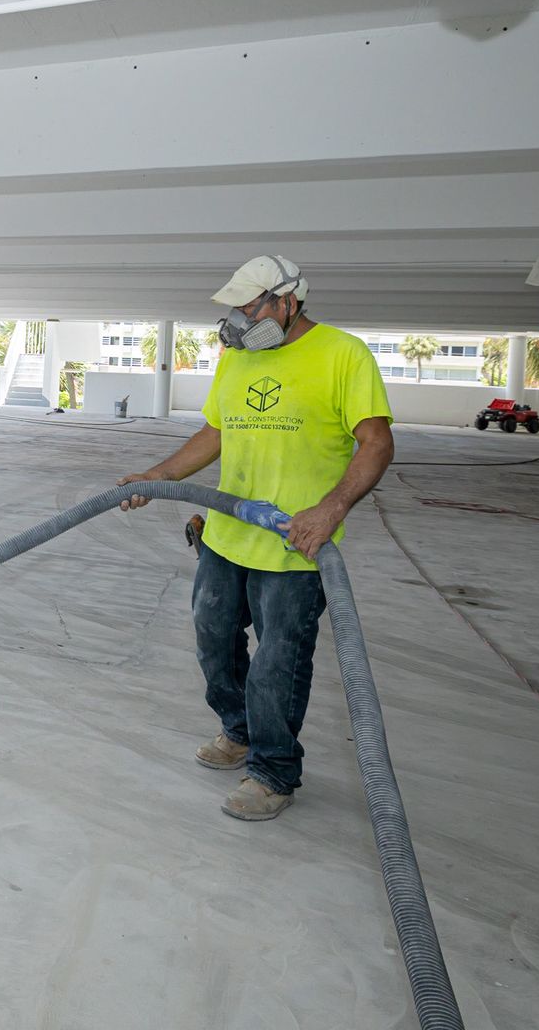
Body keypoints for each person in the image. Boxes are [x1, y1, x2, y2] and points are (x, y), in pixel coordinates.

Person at [118, 255, 393, 820]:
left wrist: (331, 507)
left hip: (296, 545)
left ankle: (272, 771)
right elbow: (215, 431)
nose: (239, 321)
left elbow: (376, 442)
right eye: (235, 310)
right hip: (226, 534)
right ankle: (238, 730)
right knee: (212, 639)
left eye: (250, 307)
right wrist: (161, 475)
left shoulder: (343, 354)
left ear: (288, 300)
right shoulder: (237, 357)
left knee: (277, 663)